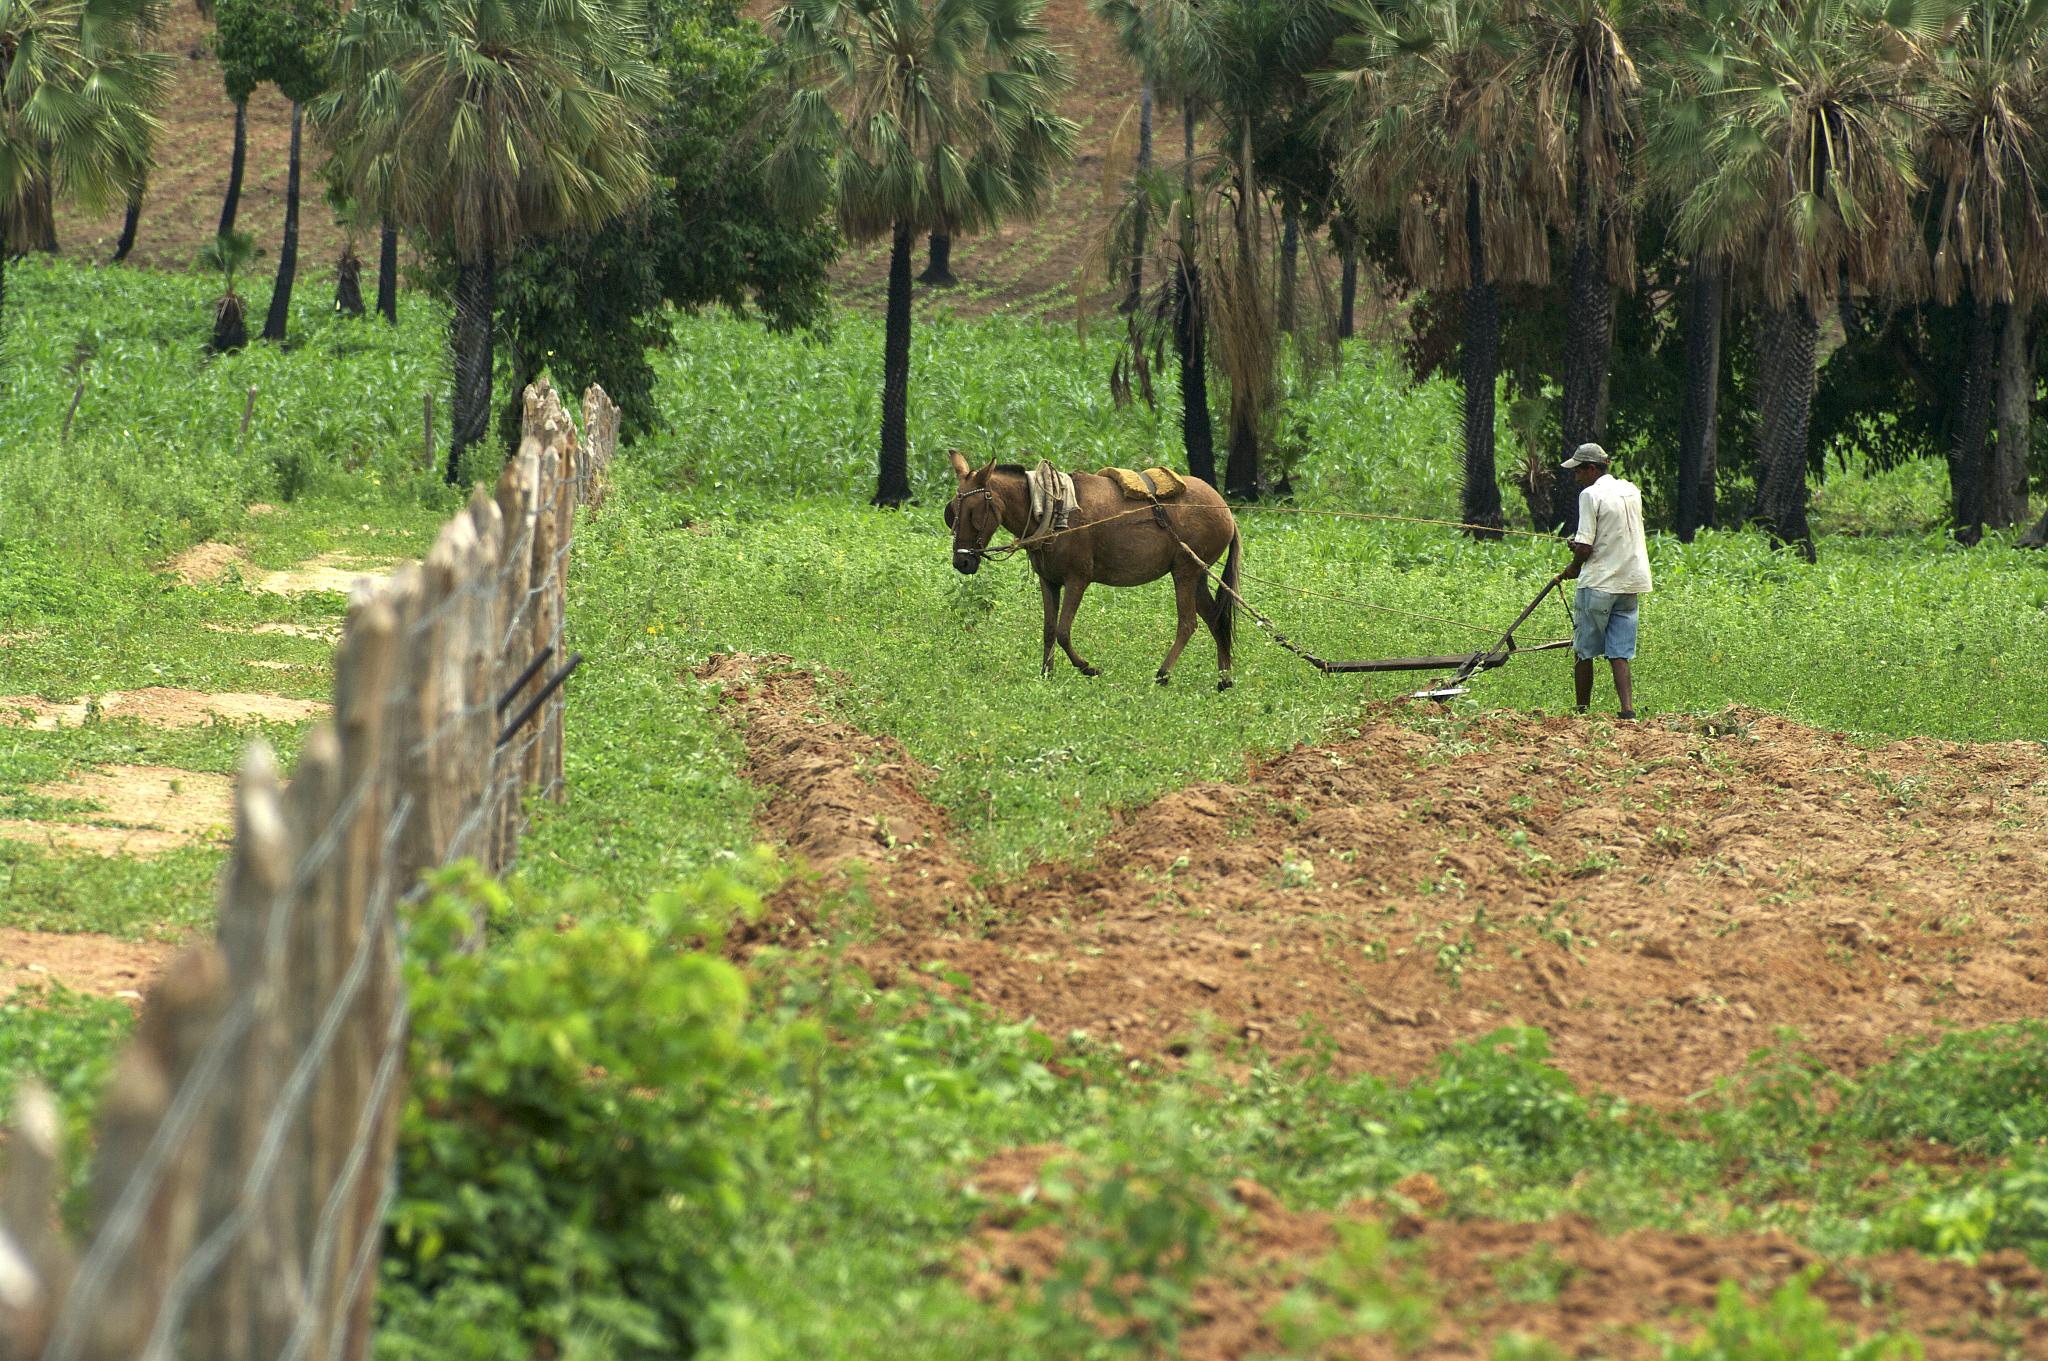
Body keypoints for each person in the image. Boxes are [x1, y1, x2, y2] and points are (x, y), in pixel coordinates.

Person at [1559, 442, 1652, 719]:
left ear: (1591, 469)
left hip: (1599, 583)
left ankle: (1581, 711)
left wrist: (1573, 566)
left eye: (1578, 471)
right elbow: (1615, 534)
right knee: (1619, 651)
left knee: (1584, 649)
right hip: (1630, 583)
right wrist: (1580, 545)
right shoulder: (1630, 490)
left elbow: (1586, 547)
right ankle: (1627, 710)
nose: (1576, 477)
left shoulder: (1590, 495)